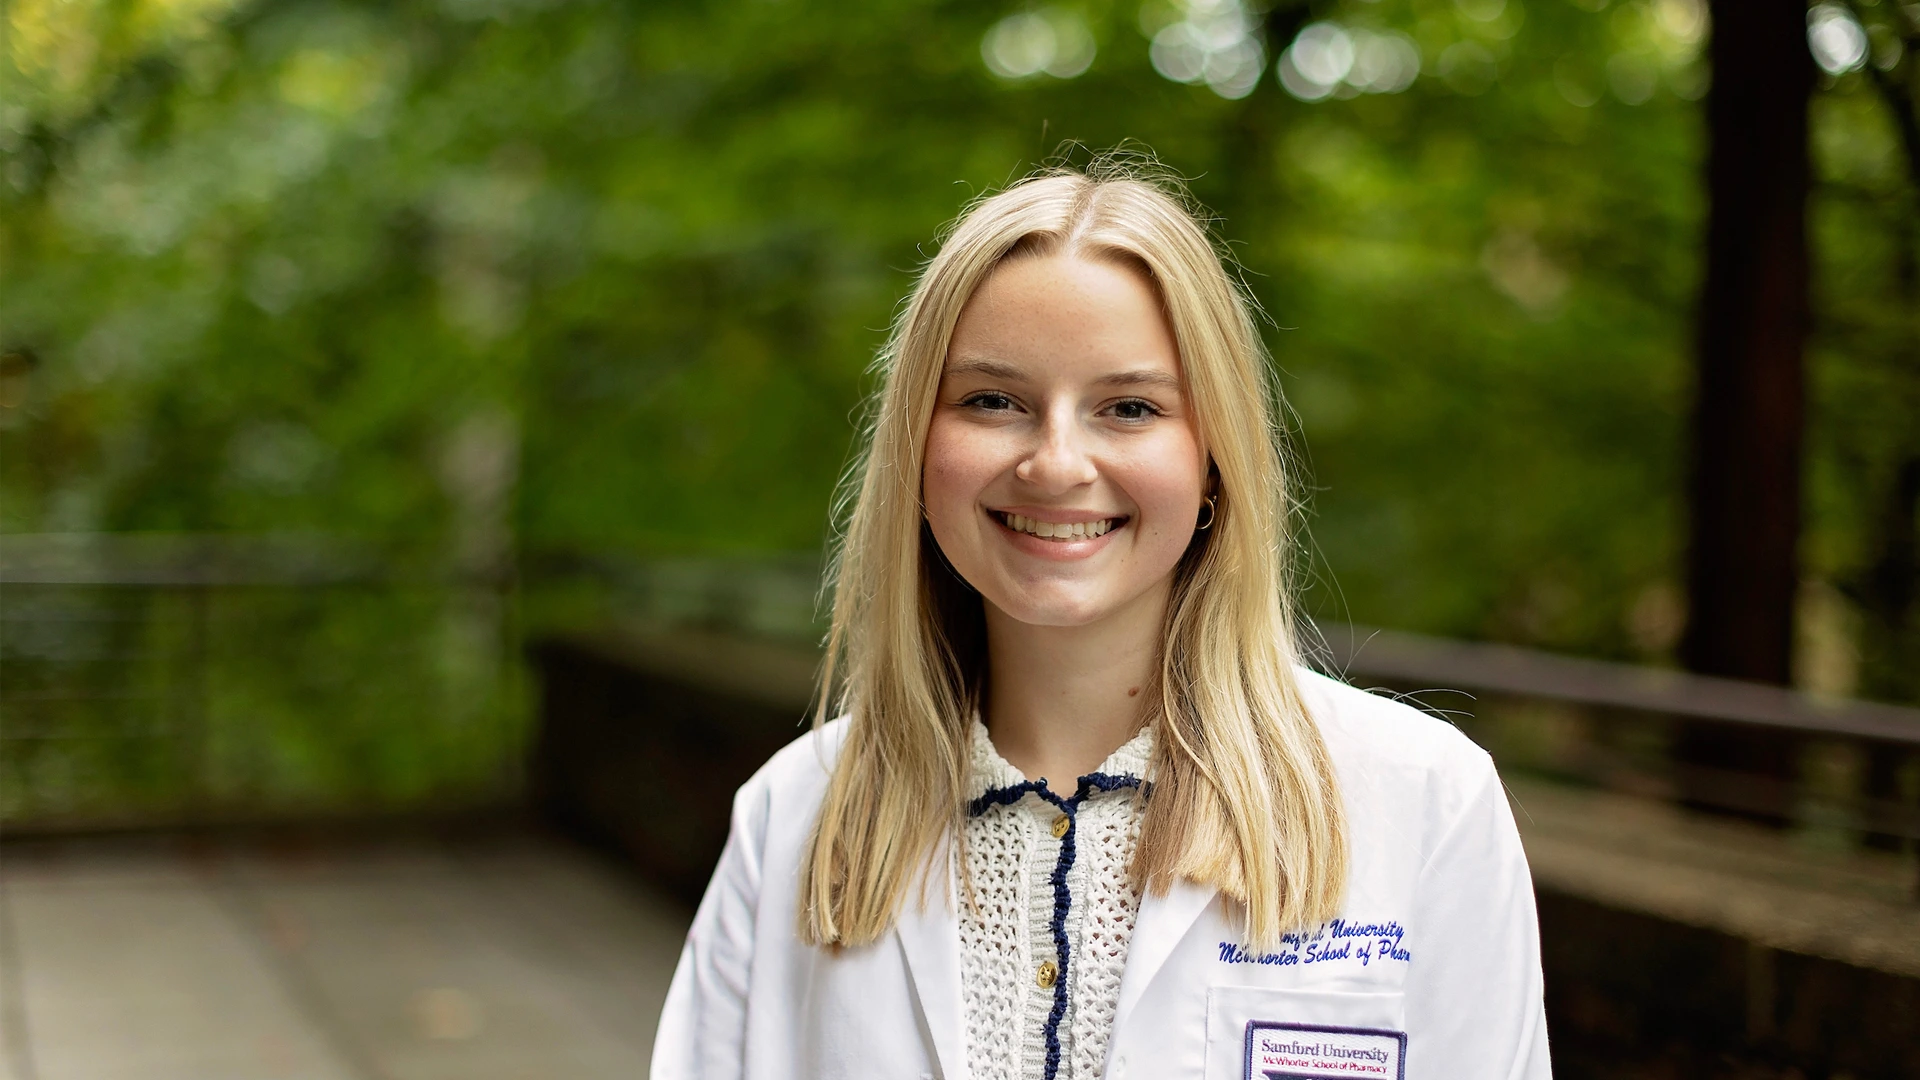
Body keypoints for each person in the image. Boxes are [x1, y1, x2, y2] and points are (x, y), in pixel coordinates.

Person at [651, 161, 1551, 1080]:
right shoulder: (793, 815)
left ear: (1212, 461)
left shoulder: (1424, 802)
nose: (1056, 462)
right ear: (918, 451)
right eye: (992, 400)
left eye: (1129, 407)